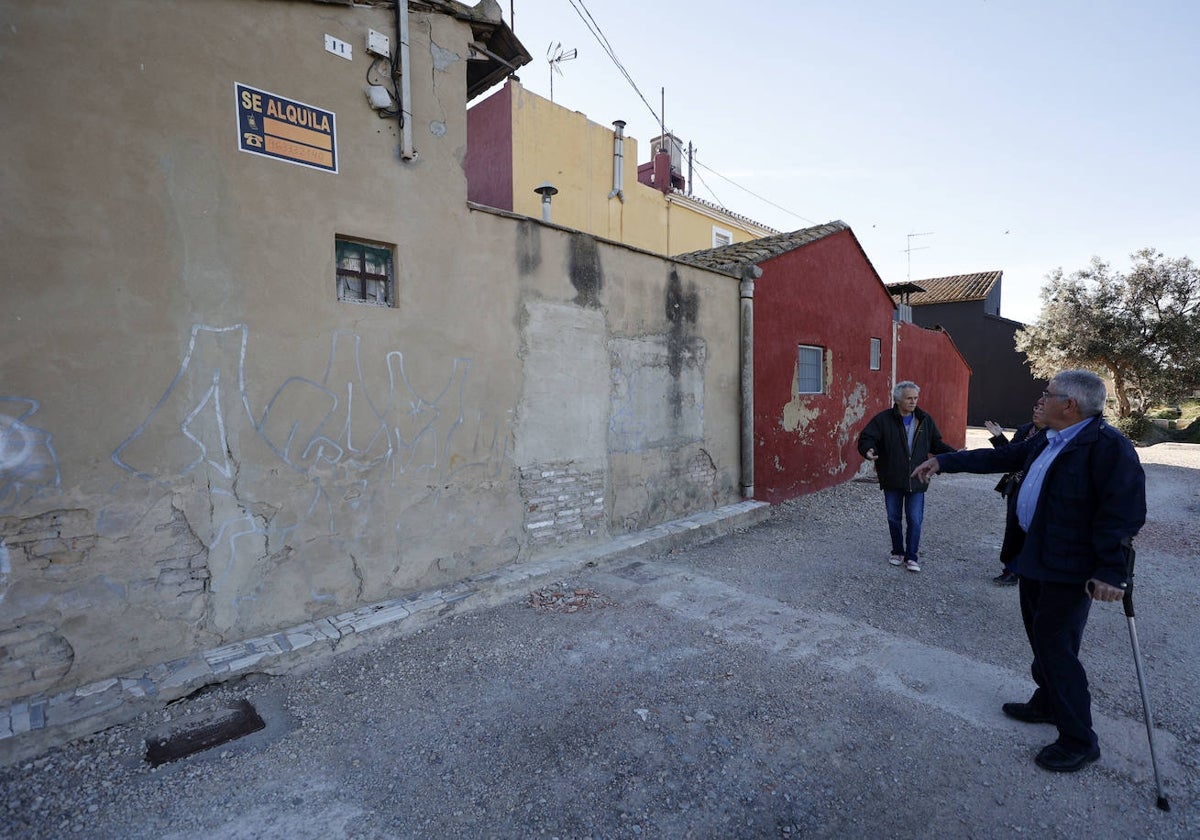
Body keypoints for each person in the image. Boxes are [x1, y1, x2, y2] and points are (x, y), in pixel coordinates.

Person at [912, 370, 1146, 773]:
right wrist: (943, 461)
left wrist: (1111, 571)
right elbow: (1001, 457)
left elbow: (1123, 513)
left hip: (1069, 568)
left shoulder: (1108, 448)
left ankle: (1079, 739)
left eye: (1048, 393)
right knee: (1042, 638)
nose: (1043, 398)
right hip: (1035, 557)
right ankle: (1048, 701)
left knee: (1058, 648)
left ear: (1069, 405)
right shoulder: (1048, 437)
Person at [857, 381, 956, 573]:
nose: (913, 402)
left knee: (915, 519)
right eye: (909, 398)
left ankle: (912, 557)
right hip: (892, 478)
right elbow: (867, 438)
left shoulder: (924, 420)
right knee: (894, 518)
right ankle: (897, 551)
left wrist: (956, 456)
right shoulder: (883, 419)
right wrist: (868, 450)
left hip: (917, 478)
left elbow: (936, 444)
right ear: (898, 400)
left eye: (915, 398)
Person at [984, 404, 1048, 585]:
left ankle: (1025, 567)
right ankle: (1011, 569)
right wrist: (998, 437)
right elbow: (1010, 455)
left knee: (1031, 530)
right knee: (1013, 527)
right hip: (1016, 486)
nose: (1036, 410)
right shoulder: (1025, 430)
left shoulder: (1053, 436)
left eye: (1042, 408)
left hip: (1037, 490)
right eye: (1036, 407)